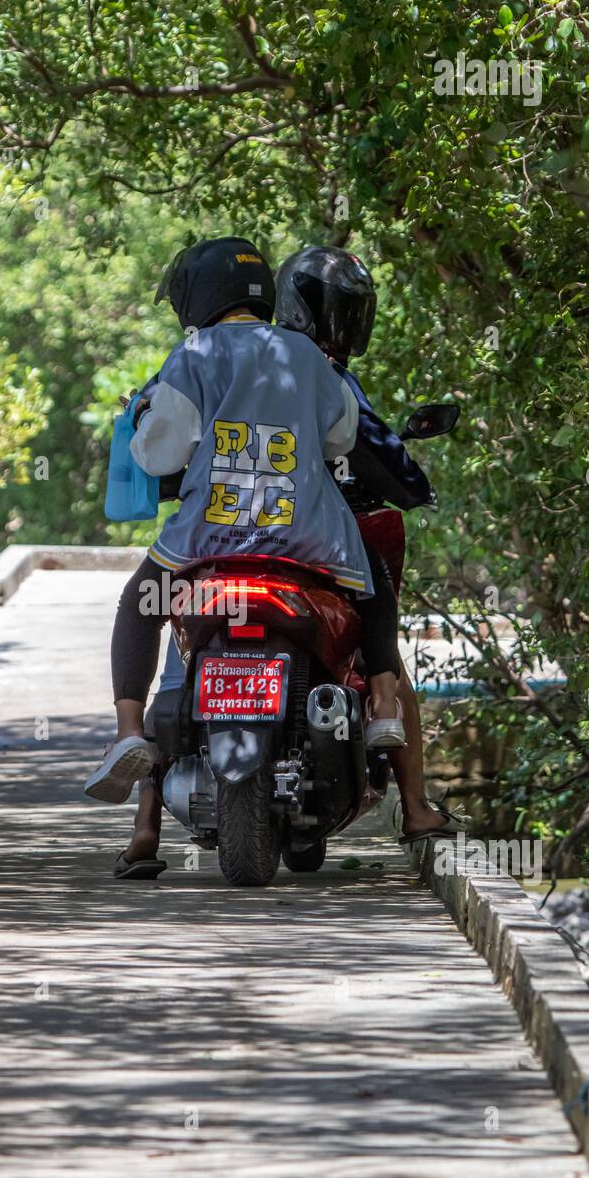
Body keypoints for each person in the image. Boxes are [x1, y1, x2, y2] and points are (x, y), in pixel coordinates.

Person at [84, 235, 405, 814]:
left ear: (197, 299)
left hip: (210, 535)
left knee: (140, 603)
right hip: (311, 535)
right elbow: (343, 437)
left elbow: (159, 456)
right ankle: (384, 710)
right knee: (374, 586)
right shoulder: (306, 354)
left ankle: (129, 732)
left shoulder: (194, 353)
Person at [274, 244, 465, 842]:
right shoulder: (327, 378)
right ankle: (412, 801)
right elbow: (372, 445)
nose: (346, 322)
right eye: (339, 308)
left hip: (228, 533)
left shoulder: (234, 361)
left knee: (173, 637)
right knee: (378, 599)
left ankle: (145, 823)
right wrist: (412, 485)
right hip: (313, 538)